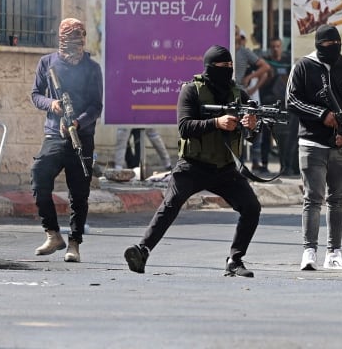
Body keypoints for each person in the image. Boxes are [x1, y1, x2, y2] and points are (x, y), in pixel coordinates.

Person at [124, 45, 262, 277]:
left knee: (252, 207)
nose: (227, 70)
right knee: (170, 204)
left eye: (230, 66)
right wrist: (215, 123)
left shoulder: (238, 94)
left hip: (224, 167)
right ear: (209, 68)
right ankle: (142, 250)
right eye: (222, 67)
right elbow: (185, 127)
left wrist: (252, 126)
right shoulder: (191, 91)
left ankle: (235, 260)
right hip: (193, 165)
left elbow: (252, 135)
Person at [286, 25, 342, 271]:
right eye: (328, 45)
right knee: (313, 198)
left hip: (341, 147)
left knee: (338, 199)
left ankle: (334, 253)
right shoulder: (303, 67)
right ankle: (309, 251)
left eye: (337, 44)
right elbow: (292, 99)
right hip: (312, 143)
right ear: (318, 45)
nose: (333, 48)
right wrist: (322, 115)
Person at [29, 18, 103, 262]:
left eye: (80, 38)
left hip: (81, 136)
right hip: (54, 134)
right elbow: (36, 95)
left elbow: (96, 106)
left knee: (79, 194)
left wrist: (78, 121)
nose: (76, 44)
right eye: (71, 39)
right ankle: (52, 233)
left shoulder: (92, 69)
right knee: (39, 176)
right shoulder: (47, 63)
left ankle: (74, 243)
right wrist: (52, 104)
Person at [234, 26, 271, 172]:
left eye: (236, 33)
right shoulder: (223, 48)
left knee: (244, 130)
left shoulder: (244, 52)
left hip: (241, 95)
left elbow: (265, 67)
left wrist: (250, 77)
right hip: (225, 95)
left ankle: (244, 165)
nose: (234, 36)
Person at [258, 37, 294, 176]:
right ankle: (264, 164)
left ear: (281, 47)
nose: (275, 48)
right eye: (273, 46)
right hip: (268, 101)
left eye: (278, 46)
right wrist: (268, 78)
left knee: (283, 137)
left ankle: (284, 166)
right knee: (266, 134)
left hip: (284, 103)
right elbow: (261, 82)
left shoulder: (287, 62)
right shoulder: (265, 62)